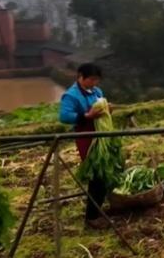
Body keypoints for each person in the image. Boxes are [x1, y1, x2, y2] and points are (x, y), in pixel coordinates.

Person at [59, 63, 110, 229]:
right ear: (80, 77)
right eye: (91, 79)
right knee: (96, 176)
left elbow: (100, 108)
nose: (94, 83)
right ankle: (91, 217)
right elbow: (65, 116)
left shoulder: (97, 92)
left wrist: (107, 110)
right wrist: (86, 115)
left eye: (97, 80)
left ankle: (100, 208)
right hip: (86, 137)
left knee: (106, 171)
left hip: (101, 135)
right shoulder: (71, 95)